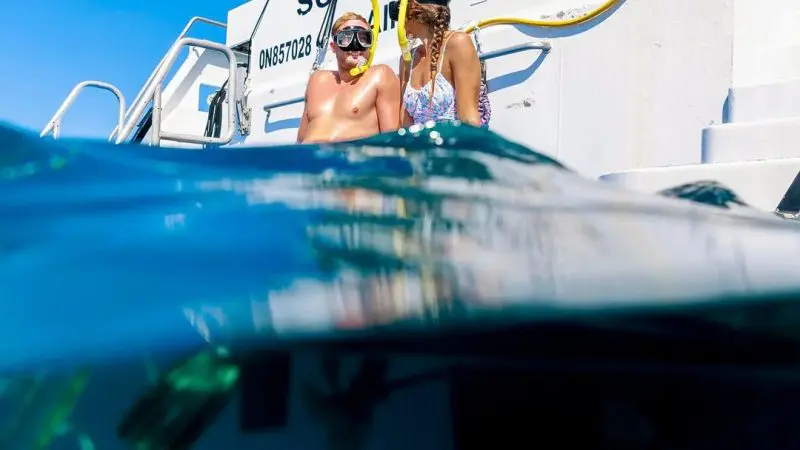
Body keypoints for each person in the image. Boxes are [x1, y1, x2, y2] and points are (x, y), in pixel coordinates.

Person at [297, 12, 401, 144]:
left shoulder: (380, 76)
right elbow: (300, 140)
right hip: (306, 161)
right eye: (346, 38)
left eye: (364, 38)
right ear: (333, 47)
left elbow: (392, 141)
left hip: (347, 162)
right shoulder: (317, 80)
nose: (356, 44)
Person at [393, 0, 486, 127]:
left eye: (398, 9)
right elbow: (405, 124)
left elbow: (469, 119)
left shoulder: (457, 43)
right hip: (419, 146)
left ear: (413, 7)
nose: (397, 19)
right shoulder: (406, 59)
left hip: (453, 144)